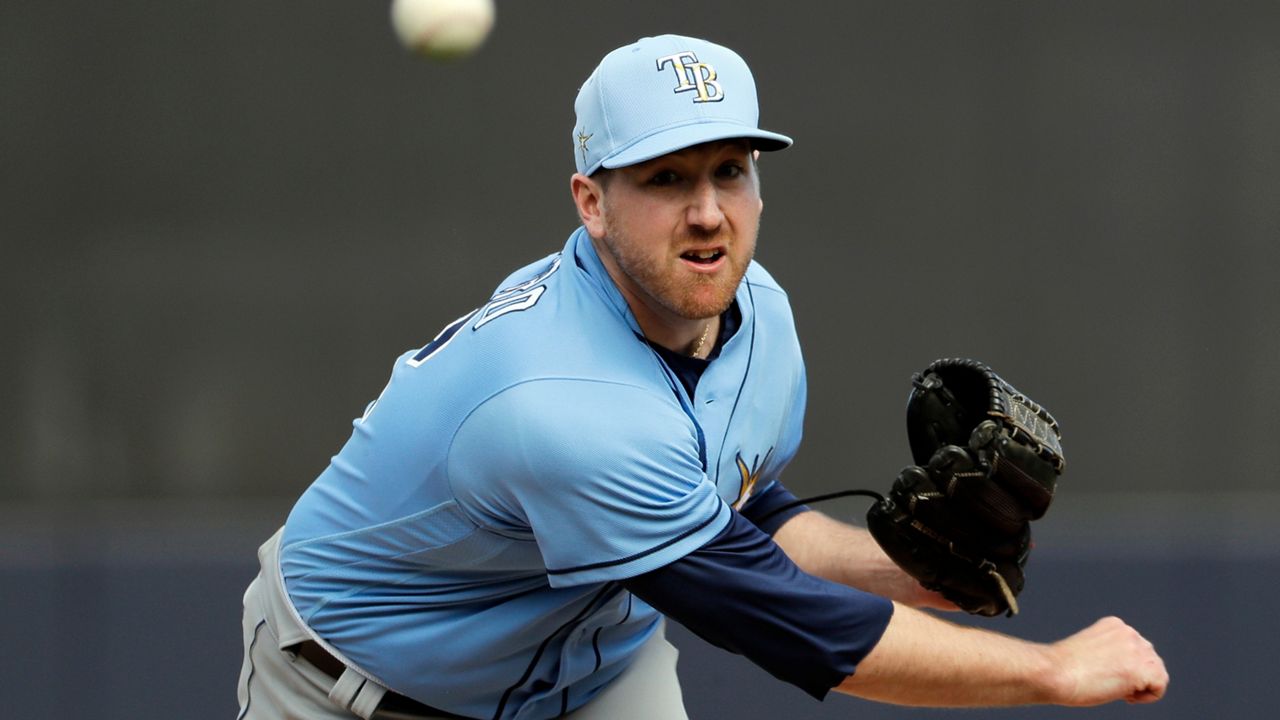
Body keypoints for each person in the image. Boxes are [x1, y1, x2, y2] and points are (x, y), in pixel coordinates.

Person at [236, 34, 1167, 720]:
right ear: (591, 202)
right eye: (666, 178)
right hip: (356, 686)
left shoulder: (758, 315)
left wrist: (902, 573)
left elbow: (738, 512)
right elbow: (796, 628)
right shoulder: (557, 405)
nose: (709, 212)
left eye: (731, 170)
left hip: (592, 674)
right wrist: (1051, 670)